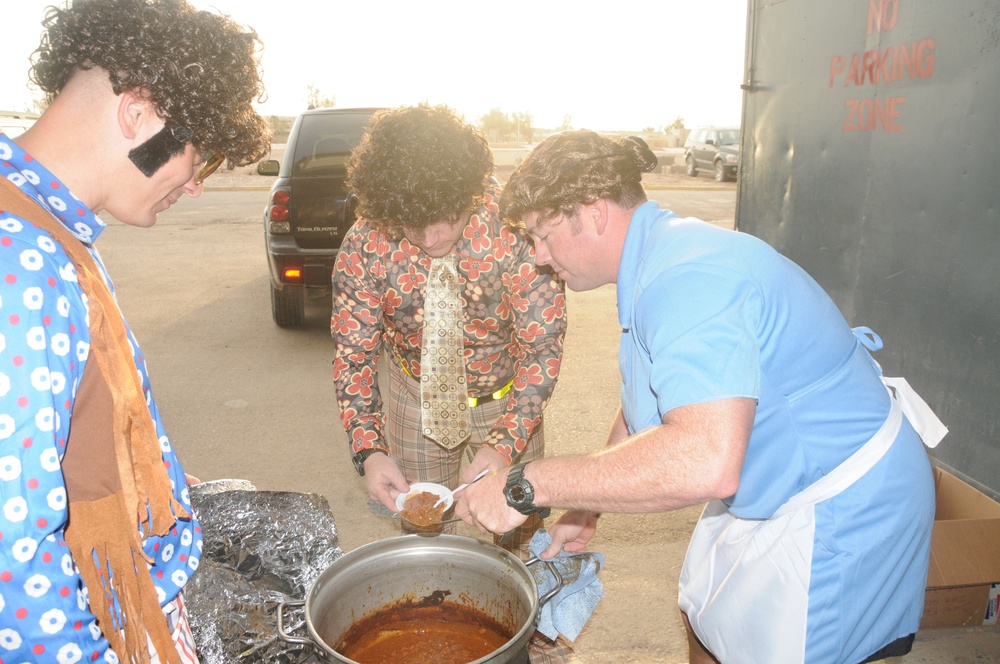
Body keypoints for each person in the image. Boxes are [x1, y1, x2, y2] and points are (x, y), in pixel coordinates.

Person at [455, 130, 943, 663]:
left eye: (542, 235)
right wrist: (585, 508)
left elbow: (704, 460)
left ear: (593, 213)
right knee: (703, 618)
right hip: (767, 481)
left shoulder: (686, 280)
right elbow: (655, 398)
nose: (539, 257)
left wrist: (527, 485)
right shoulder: (652, 261)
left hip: (841, 504)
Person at [0, 1, 270, 661]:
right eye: (197, 158)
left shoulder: (49, 229)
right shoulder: (20, 262)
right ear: (139, 113)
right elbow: (15, 557)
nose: (196, 186)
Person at [332, 104, 566, 556]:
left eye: (447, 218)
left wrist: (505, 443)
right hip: (414, 394)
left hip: (507, 398)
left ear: (471, 194)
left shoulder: (516, 231)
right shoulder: (366, 242)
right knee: (425, 535)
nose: (431, 236)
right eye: (412, 223)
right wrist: (369, 450)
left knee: (520, 534)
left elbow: (542, 350)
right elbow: (353, 356)